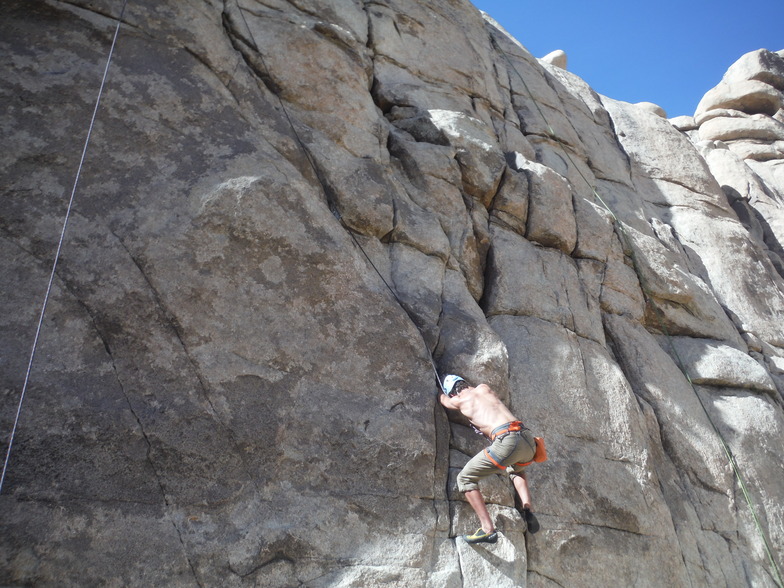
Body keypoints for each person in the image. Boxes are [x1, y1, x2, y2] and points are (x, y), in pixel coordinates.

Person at [438, 374, 539, 544]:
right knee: (516, 469)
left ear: (453, 393)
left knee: (465, 478)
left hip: (507, 440)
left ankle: (487, 530)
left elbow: (444, 400)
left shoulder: (458, 400)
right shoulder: (484, 388)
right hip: (527, 438)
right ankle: (528, 507)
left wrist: (439, 390)